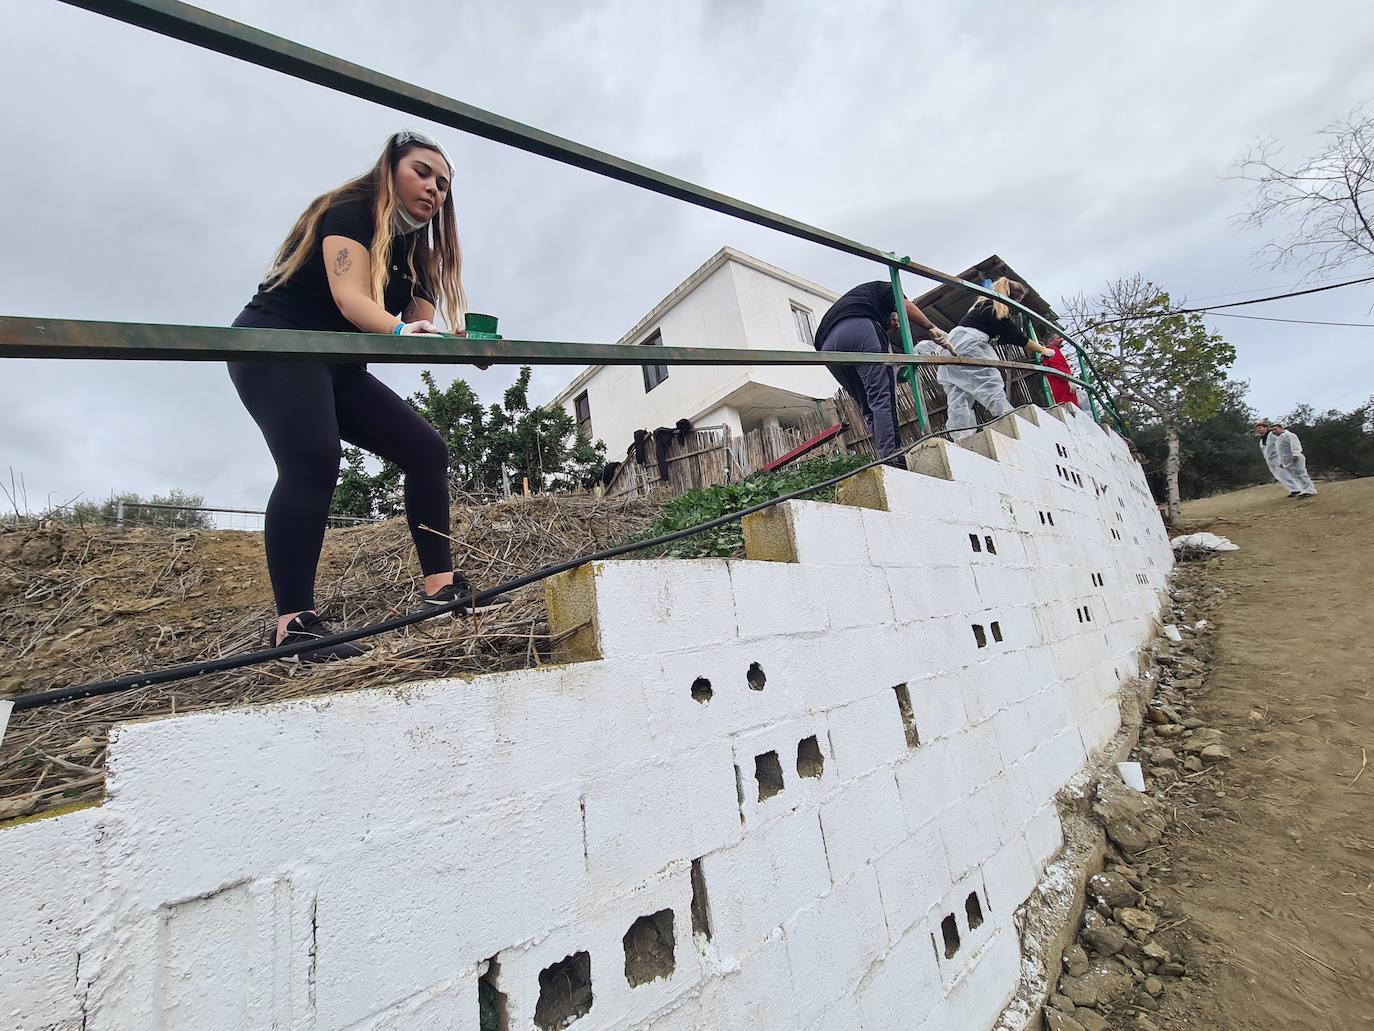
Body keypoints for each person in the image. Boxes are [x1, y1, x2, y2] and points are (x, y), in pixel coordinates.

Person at [229, 129, 510, 663]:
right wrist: (404, 333)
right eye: (422, 172)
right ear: (390, 170)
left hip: (338, 364)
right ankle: (294, 626)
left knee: (426, 450)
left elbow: (415, 334)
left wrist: (459, 345)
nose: (434, 189)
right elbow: (351, 297)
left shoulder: (419, 256)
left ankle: (441, 589)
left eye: (444, 184)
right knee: (313, 458)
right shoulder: (350, 210)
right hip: (276, 343)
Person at [813, 281, 947, 467]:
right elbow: (904, 304)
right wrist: (931, 327)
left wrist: (892, 372)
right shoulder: (884, 288)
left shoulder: (856, 299)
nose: (897, 325)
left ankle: (885, 456)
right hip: (858, 329)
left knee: (868, 405)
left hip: (827, 349)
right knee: (882, 396)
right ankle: (892, 455)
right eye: (897, 320)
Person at [936, 277, 1037, 439]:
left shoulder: (981, 306)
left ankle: (962, 436)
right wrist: (1043, 349)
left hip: (950, 345)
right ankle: (1007, 417)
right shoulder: (995, 308)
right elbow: (1016, 336)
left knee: (959, 393)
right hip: (968, 344)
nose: (1016, 309)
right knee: (988, 379)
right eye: (1018, 303)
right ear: (1012, 299)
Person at [1269, 422, 1317, 497]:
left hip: (1295, 458)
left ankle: (1310, 490)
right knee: (1296, 476)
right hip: (1287, 460)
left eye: (1275, 429)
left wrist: (1295, 454)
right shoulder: (1278, 439)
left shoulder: (1289, 435)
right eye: (1272, 431)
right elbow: (1281, 452)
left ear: (1281, 428)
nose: (1274, 431)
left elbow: (1295, 444)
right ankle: (1303, 490)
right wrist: (1282, 462)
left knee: (1301, 474)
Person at [1037, 334, 1082, 408]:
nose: (1062, 340)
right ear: (1050, 341)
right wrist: (1069, 379)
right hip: (1062, 386)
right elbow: (1057, 366)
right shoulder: (1052, 350)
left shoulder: (1050, 351)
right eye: (1058, 338)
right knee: (1070, 409)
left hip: (1059, 385)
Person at [1253, 420, 1295, 493]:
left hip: (1279, 456)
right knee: (1279, 475)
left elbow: (1284, 434)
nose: (1258, 430)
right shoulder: (1261, 440)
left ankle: (1296, 488)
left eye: (1260, 427)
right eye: (1257, 429)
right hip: (1270, 460)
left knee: (1284, 473)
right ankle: (1292, 489)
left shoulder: (1272, 434)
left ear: (1266, 428)